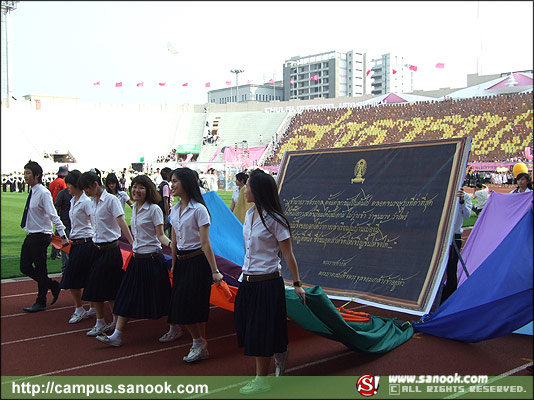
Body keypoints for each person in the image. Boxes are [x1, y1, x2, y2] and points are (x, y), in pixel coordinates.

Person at [234, 169, 306, 394]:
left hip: (267, 282)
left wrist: (297, 284)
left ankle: (261, 380)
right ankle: (280, 352)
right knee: (248, 326)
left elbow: (288, 255)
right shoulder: (248, 215)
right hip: (248, 281)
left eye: (248, 187)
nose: (245, 190)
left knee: (259, 330)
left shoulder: (276, 220)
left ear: (258, 190)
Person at [96, 175, 172, 347]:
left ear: (149, 190)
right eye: (134, 187)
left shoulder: (154, 209)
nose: (136, 191)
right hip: (136, 260)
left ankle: (175, 327)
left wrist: (174, 245)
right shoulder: (136, 208)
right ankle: (117, 335)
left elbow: (160, 235)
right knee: (126, 295)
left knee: (162, 296)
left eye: (141, 187)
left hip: (153, 260)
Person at [162, 167, 223, 362]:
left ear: (186, 183)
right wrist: (173, 262)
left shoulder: (199, 209)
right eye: (171, 181)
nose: (172, 185)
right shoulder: (176, 209)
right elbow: (174, 237)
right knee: (181, 304)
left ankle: (198, 343)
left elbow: (205, 243)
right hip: (181, 261)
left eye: (175, 181)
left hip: (197, 261)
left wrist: (215, 271)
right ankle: (200, 343)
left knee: (192, 304)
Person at [79, 171, 135, 337]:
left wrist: (133, 244)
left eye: (87, 189)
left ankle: (112, 321)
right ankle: (103, 321)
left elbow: (121, 222)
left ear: (95, 184)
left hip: (111, 249)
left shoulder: (111, 200)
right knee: (94, 286)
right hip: (96, 248)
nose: (86, 192)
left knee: (109, 287)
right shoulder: (92, 203)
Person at [20, 160, 69, 313]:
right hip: (31, 234)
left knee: (41, 269)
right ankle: (52, 285)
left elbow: (54, 215)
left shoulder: (43, 193)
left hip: (41, 236)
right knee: (24, 267)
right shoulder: (33, 191)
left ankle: (41, 301)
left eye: (28, 173)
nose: (25, 176)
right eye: (24, 173)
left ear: (37, 175)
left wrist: (63, 235)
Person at [59, 170, 96, 323]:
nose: (67, 187)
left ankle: (81, 308)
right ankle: (86, 308)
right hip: (75, 242)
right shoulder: (73, 200)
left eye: (70, 184)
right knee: (81, 277)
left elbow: (93, 221)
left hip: (86, 243)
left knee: (73, 277)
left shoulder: (86, 202)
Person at [440, 187, 472, 304]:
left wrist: (462, 201)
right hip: (442, 236)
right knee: (438, 268)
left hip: (455, 236)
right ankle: (440, 294)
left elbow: (467, 215)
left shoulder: (466, 197)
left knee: (452, 268)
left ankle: (450, 297)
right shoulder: (445, 193)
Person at [49, 166, 68, 260]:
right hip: (60, 206)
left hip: (52, 205)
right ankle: (56, 252)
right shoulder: (62, 182)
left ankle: (54, 252)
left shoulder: (53, 182)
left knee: (57, 230)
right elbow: (66, 192)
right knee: (61, 230)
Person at [54, 186, 72, 275]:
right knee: (65, 251)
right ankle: (65, 270)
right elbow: (56, 208)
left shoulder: (80, 195)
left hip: (75, 226)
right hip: (65, 224)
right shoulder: (63, 194)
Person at [157, 167, 173, 237]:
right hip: (164, 210)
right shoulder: (165, 186)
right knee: (166, 226)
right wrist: (167, 214)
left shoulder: (161, 184)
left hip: (161, 209)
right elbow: (165, 200)